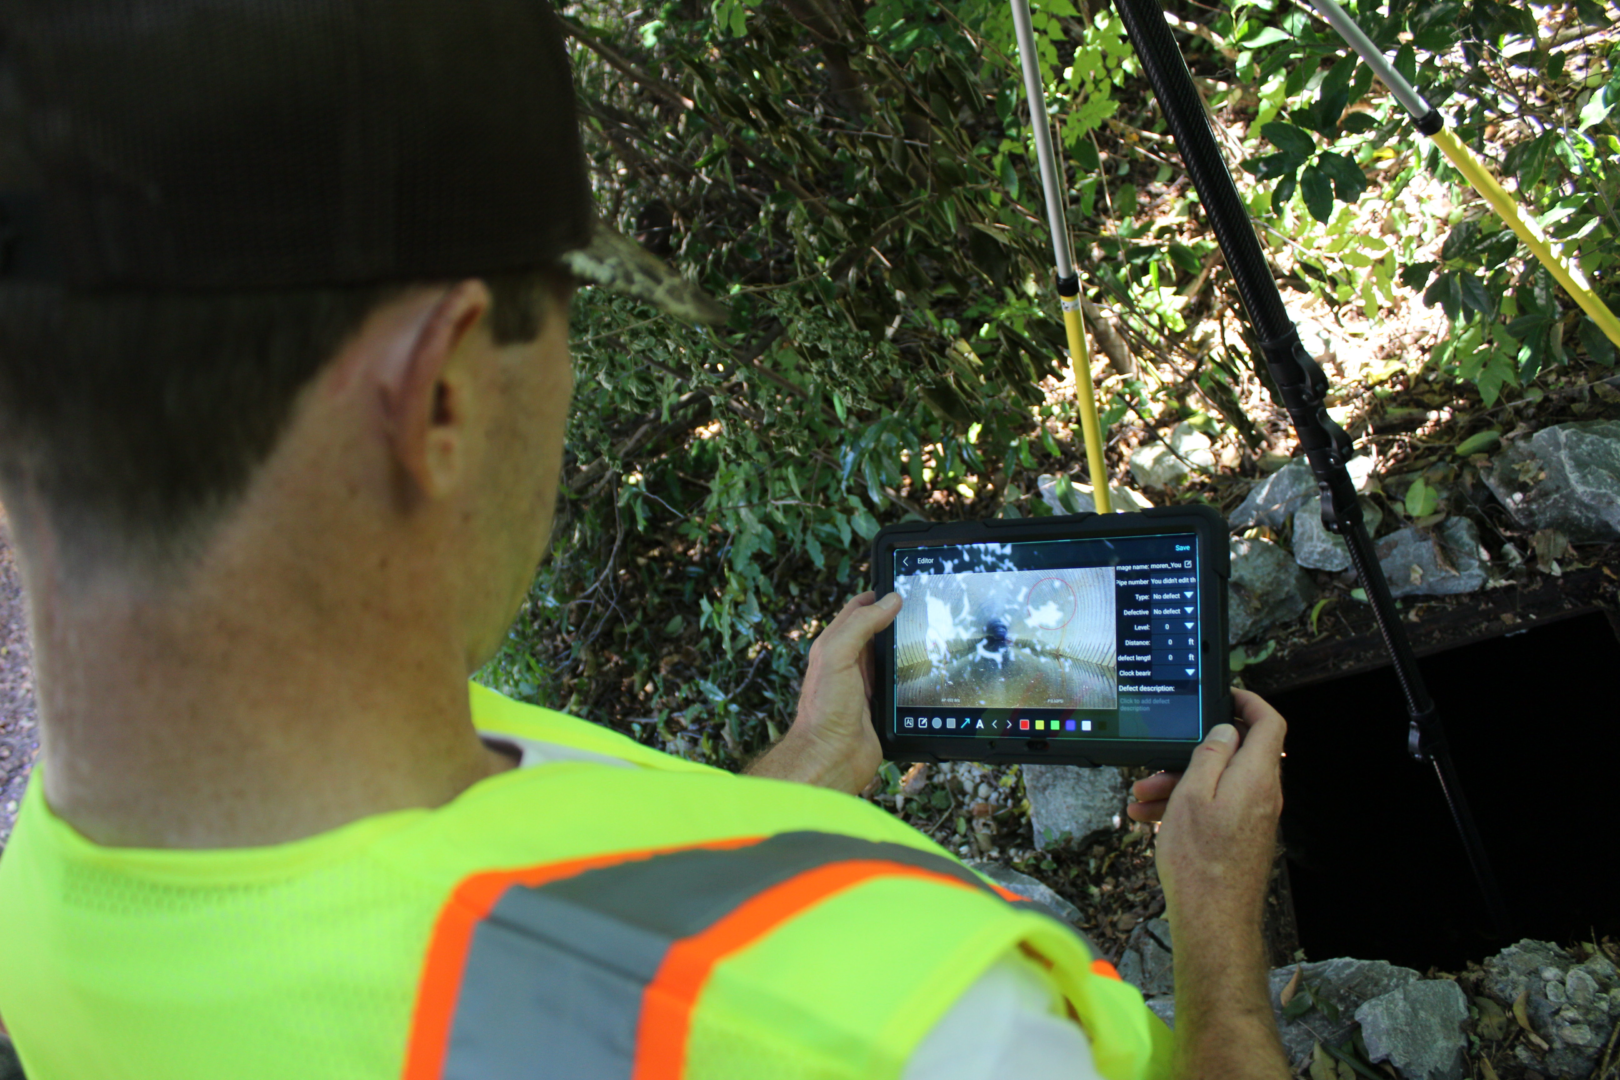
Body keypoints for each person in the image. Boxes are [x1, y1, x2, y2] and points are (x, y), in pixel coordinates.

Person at [0, 2, 1292, 1078]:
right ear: (443, 391)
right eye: (567, 316)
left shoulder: (51, 882)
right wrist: (1220, 942)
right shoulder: (888, 1020)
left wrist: (802, 766)